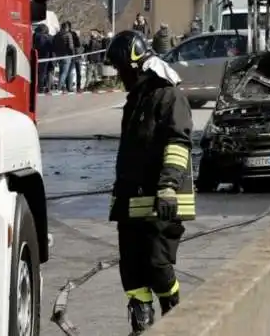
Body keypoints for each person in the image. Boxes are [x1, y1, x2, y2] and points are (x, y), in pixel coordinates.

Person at [104, 30, 196, 334]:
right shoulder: (137, 99)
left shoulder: (169, 96)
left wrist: (168, 186)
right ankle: (141, 325)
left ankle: (173, 313)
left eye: (121, 69)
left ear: (135, 64)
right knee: (132, 271)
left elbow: (178, 144)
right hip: (133, 199)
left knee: (157, 265)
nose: (119, 75)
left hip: (164, 200)